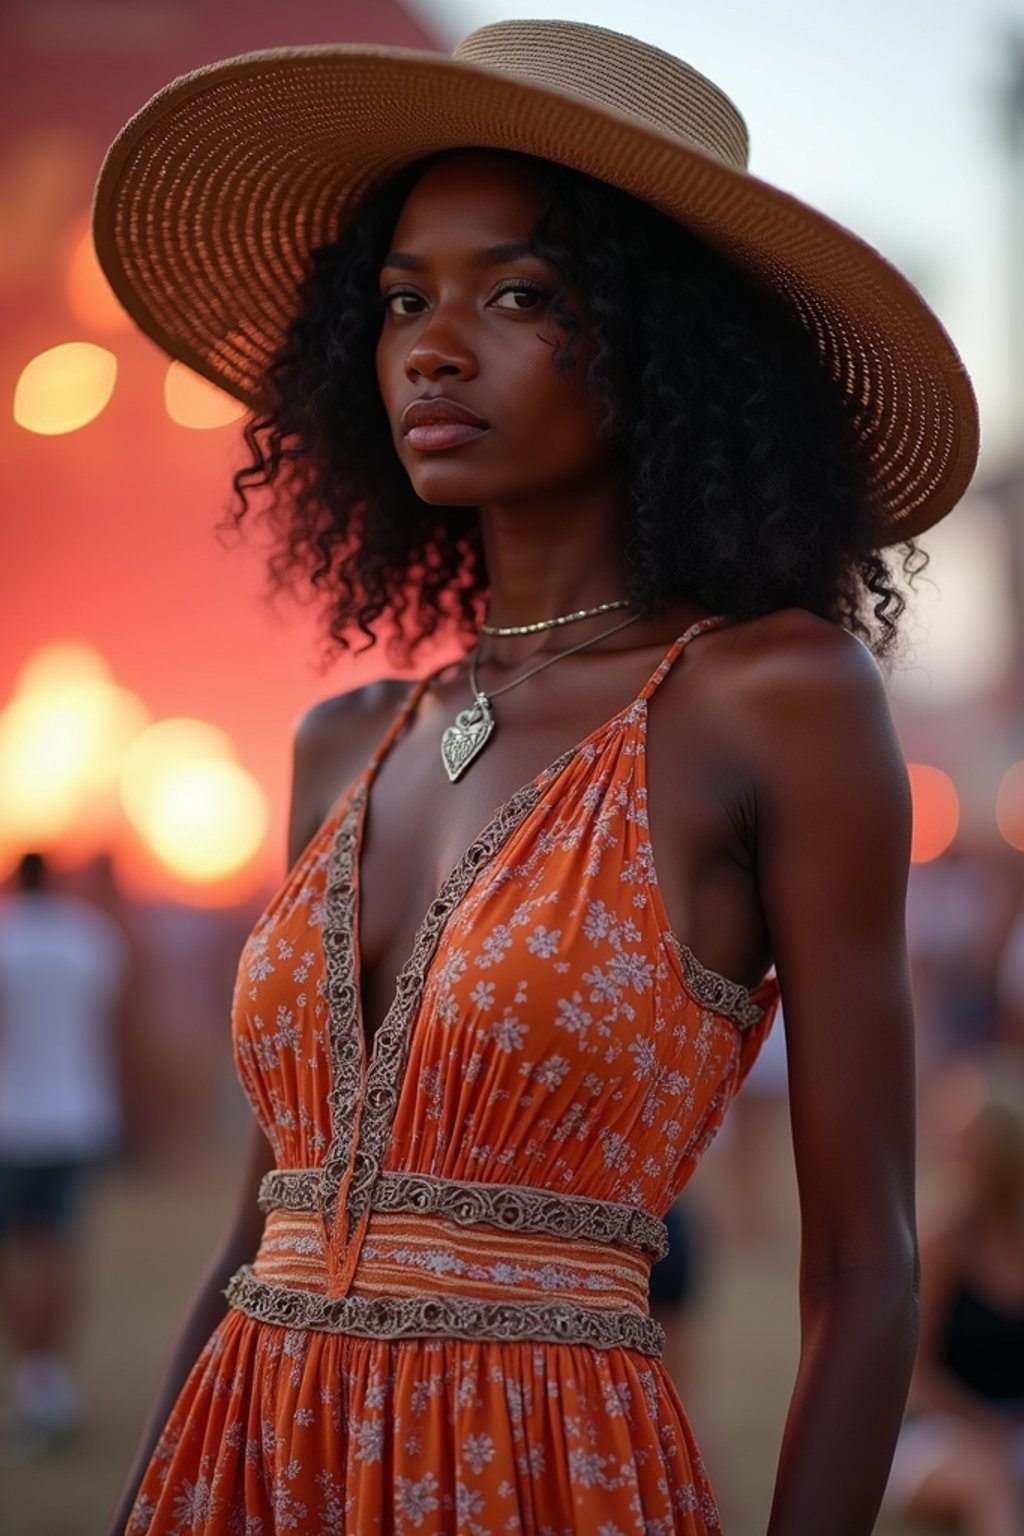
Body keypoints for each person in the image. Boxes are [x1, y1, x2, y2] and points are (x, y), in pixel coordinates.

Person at [92, 19, 979, 1535]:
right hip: (247, 1461)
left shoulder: (769, 699)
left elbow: (865, 1267)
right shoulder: (341, 740)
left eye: (519, 294)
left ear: (664, 344)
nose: (435, 344)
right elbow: (265, 1216)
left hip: (538, 1472)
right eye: (400, 300)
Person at [0, 851, 129, 1455]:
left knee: (13, 1253)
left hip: (12, 1122)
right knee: (58, 1248)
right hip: (78, 1116)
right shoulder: (89, 938)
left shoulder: (6, 938)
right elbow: (113, 1022)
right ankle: (53, 1383)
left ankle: (35, 1379)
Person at [881, 1049, 1024, 1535]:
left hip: (1013, 1430)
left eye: (971, 1140)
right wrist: (983, 1425)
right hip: (942, 1433)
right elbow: (914, 1377)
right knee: (989, 1480)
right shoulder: (943, 1239)